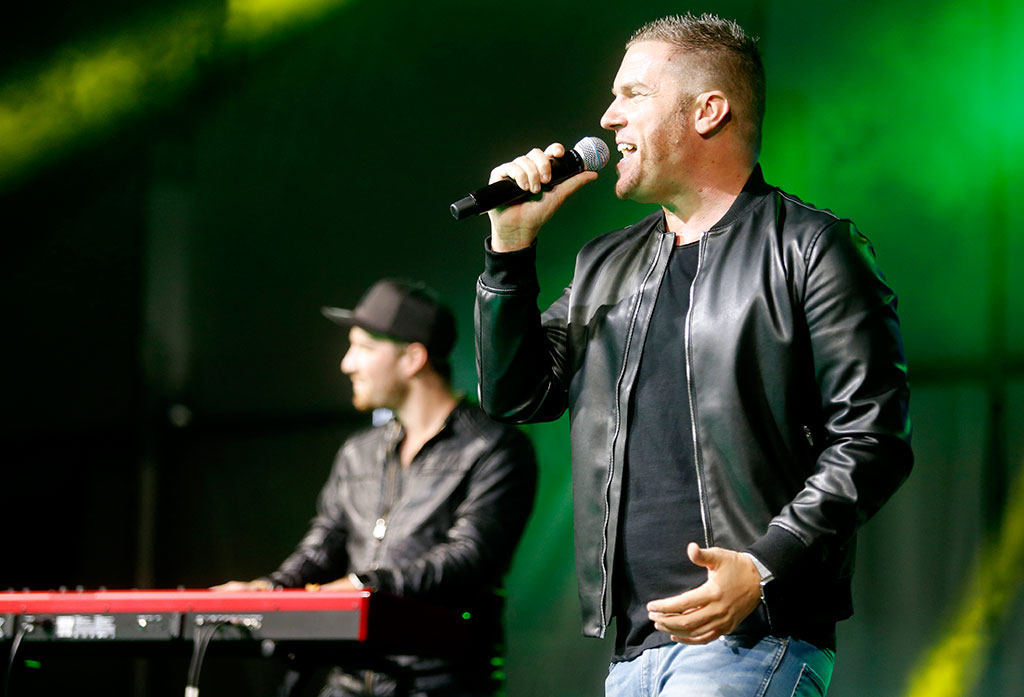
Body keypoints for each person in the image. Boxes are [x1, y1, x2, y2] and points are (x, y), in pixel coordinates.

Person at [473, 12, 911, 697]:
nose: (609, 117)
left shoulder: (809, 248)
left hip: (753, 639)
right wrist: (509, 249)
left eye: (633, 94)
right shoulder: (604, 264)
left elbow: (872, 438)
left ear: (708, 111)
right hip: (633, 652)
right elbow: (517, 394)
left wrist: (764, 565)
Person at [217, 279, 537, 697]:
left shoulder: (493, 447)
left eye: (363, 348)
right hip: (348, 681)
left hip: (438, 684)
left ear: (413, 358)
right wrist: (273, 587)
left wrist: (365, 586)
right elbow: (324, 544)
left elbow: (469, 557)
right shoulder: (359, 452)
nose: (347, 364)